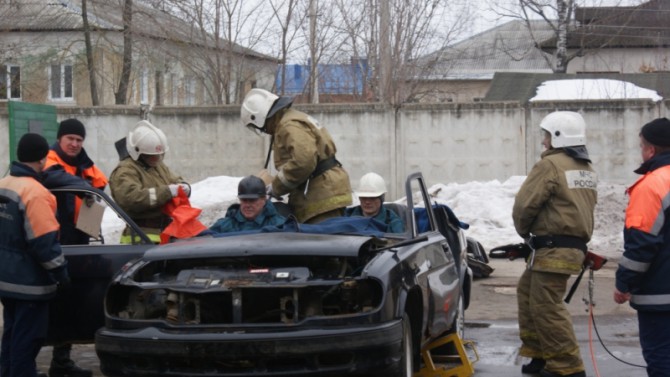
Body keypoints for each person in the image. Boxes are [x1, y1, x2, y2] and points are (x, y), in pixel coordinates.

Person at [512, 111, 597, 377]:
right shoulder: (584, 167)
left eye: (546, 136)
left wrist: (524, 231)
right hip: (570, 247)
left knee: (547, 306)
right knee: (527, 293)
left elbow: (525, 205)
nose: (543, 142)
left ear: (558, 137)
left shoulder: (550, 165)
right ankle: (540, 355)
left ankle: (566, 367)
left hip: (552, 248)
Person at [0, 133, 70, 377]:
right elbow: (44, 243)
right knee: (27, 340)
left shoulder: (4, 184)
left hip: (5, 280)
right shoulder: (36, 193)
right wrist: (61, 274)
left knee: (11, 334)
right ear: (42, 159)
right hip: (30, 284)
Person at [43, 119, 104, 377]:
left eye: (79, 140)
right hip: (52, 242)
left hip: (78, 239)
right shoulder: (49, 160)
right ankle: (22, 361)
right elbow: (51, 176)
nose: (75, 144)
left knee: (70, 300)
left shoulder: (83, 164)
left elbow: (100, 180)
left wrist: (89, 187)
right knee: (49, 302)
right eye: (70, 139)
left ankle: (61, 360)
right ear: (60, 139)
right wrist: (83, 187)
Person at [241, 88, 352, 224]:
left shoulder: (288, 125)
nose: (261, 130)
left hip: (321, 193)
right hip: (324, 189)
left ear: (258, 118)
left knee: (322, 241)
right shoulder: (290, 119)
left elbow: (303, 161)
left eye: (256, 126)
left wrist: (276, 187)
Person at [614, 117, 670, 377]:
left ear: (650, 150)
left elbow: (642, 245)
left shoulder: (653, 185)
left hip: (661, 297)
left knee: (662, 359)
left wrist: (624, 284)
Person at [109, 120, 190, 243]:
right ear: (138, 153)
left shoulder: (156, 165)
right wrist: (167, 192)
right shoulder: (125, 171)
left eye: (159, 155)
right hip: (141, 238)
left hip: (164, 232)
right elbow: (132, 198)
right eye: (151, 155)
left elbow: (173, 179)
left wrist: (184, 186)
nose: (156, 159)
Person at [209, 175, 286, 233]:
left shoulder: (280, 225)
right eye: (244, 200)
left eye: (252, 200)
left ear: (264, 200)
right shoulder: (224, 226)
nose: (248, 205)